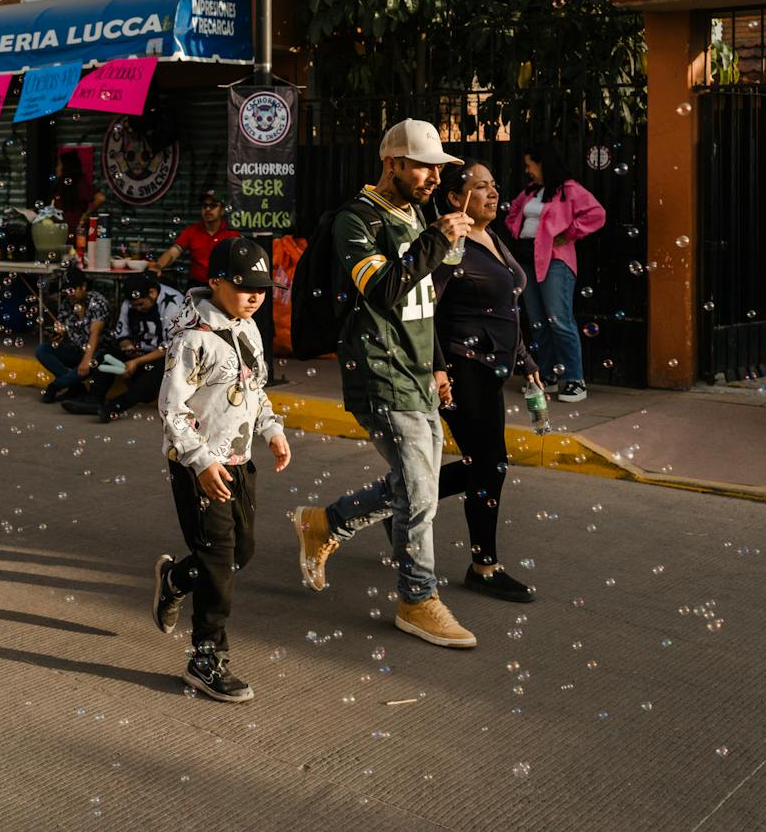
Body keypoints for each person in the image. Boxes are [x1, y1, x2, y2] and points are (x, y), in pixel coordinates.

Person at [291, 118, 480, 649]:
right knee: (419, 490)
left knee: (418, 484)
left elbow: (423, 300)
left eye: (438, 169)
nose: (434, 179)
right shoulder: (355, 220)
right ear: (392, 163)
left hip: (417, 368)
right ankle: (417, 599)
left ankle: (326, 523)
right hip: (378, 368)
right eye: (423, 167)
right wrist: (436, 240)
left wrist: (437, 364)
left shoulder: (416, 213)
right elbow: (382, 289)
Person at [148, 236, 290, 703]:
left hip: (239, 461)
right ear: (215, 282)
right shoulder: (193, 338)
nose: (255, 297)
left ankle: (175, 580)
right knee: (217, 563)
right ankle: (206, 658)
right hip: (200, 467)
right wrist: (201, 461)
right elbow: (171, 409)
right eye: (244, 287)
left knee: (239, 554)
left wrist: (271, 428)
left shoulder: (248, 328)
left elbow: (254, 388)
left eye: (262, 289)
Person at [429, 163, 539, 603]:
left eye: (494, 185)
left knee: (487, 463)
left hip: (491, 367)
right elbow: (426, 309)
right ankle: (484, 567)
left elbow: (506, 306)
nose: (492, 193)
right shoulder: (449, 244)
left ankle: (398, 502)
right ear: (456, 199)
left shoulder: (491, 238)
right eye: (480, 187)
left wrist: (525, 360)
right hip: (461, 365)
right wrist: (436, 367)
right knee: (490, 463)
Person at [504, 147, 606, 404]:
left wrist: (570, 232)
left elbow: (596, 214)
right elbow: (513, 211)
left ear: (543, 164)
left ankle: (574, 379)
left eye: (530, 165)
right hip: (527, 258)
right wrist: (516, 229)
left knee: (559, 320)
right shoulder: (531, 191)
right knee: (538, 321)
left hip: (554, 260)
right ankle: (547, 375)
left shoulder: (569, 189)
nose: (527, 170)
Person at [65, 274, 184, 421]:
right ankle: (94, 400)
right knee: (107, 355)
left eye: (141, 304)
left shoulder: (173, 304)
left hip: (166, 355)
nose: (138, 309)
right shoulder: (129, 303)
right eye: (135, 306)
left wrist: (136, 362)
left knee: (163, 366)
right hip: (140, 352)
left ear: (152, 293)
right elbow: (122, 335)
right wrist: (129, 349)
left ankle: (116, 406)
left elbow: (171, 346)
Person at [38, 268, 109, 403]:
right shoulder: (67, 304)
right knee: (42, 350)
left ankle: (55, 385)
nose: (68, 294)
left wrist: (86, 360)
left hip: (98, 353)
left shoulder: (98, 302)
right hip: (77, 350)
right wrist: (56, 334)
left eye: (71, 290)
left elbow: (95, 333)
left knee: (95, 358)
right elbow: (60, 327)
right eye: (66, 291)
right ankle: (76, 387)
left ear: (83, 286)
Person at [152, 191, 240, 287]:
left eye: (213, 205)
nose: (207, 209)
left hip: (223, 285)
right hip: (196, 284)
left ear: (222, 210)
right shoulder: (192, 231)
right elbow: (173, 252)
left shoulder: (232, 233)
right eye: (204, 206)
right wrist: (158, 266)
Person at [51, 148, 105, 242]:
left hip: (76, 236)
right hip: (61, 236)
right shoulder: (61, 187)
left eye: (59, 165)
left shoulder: (79, 184)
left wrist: (86, 215)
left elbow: (101, 198)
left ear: (66, 167)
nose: (56, 168)